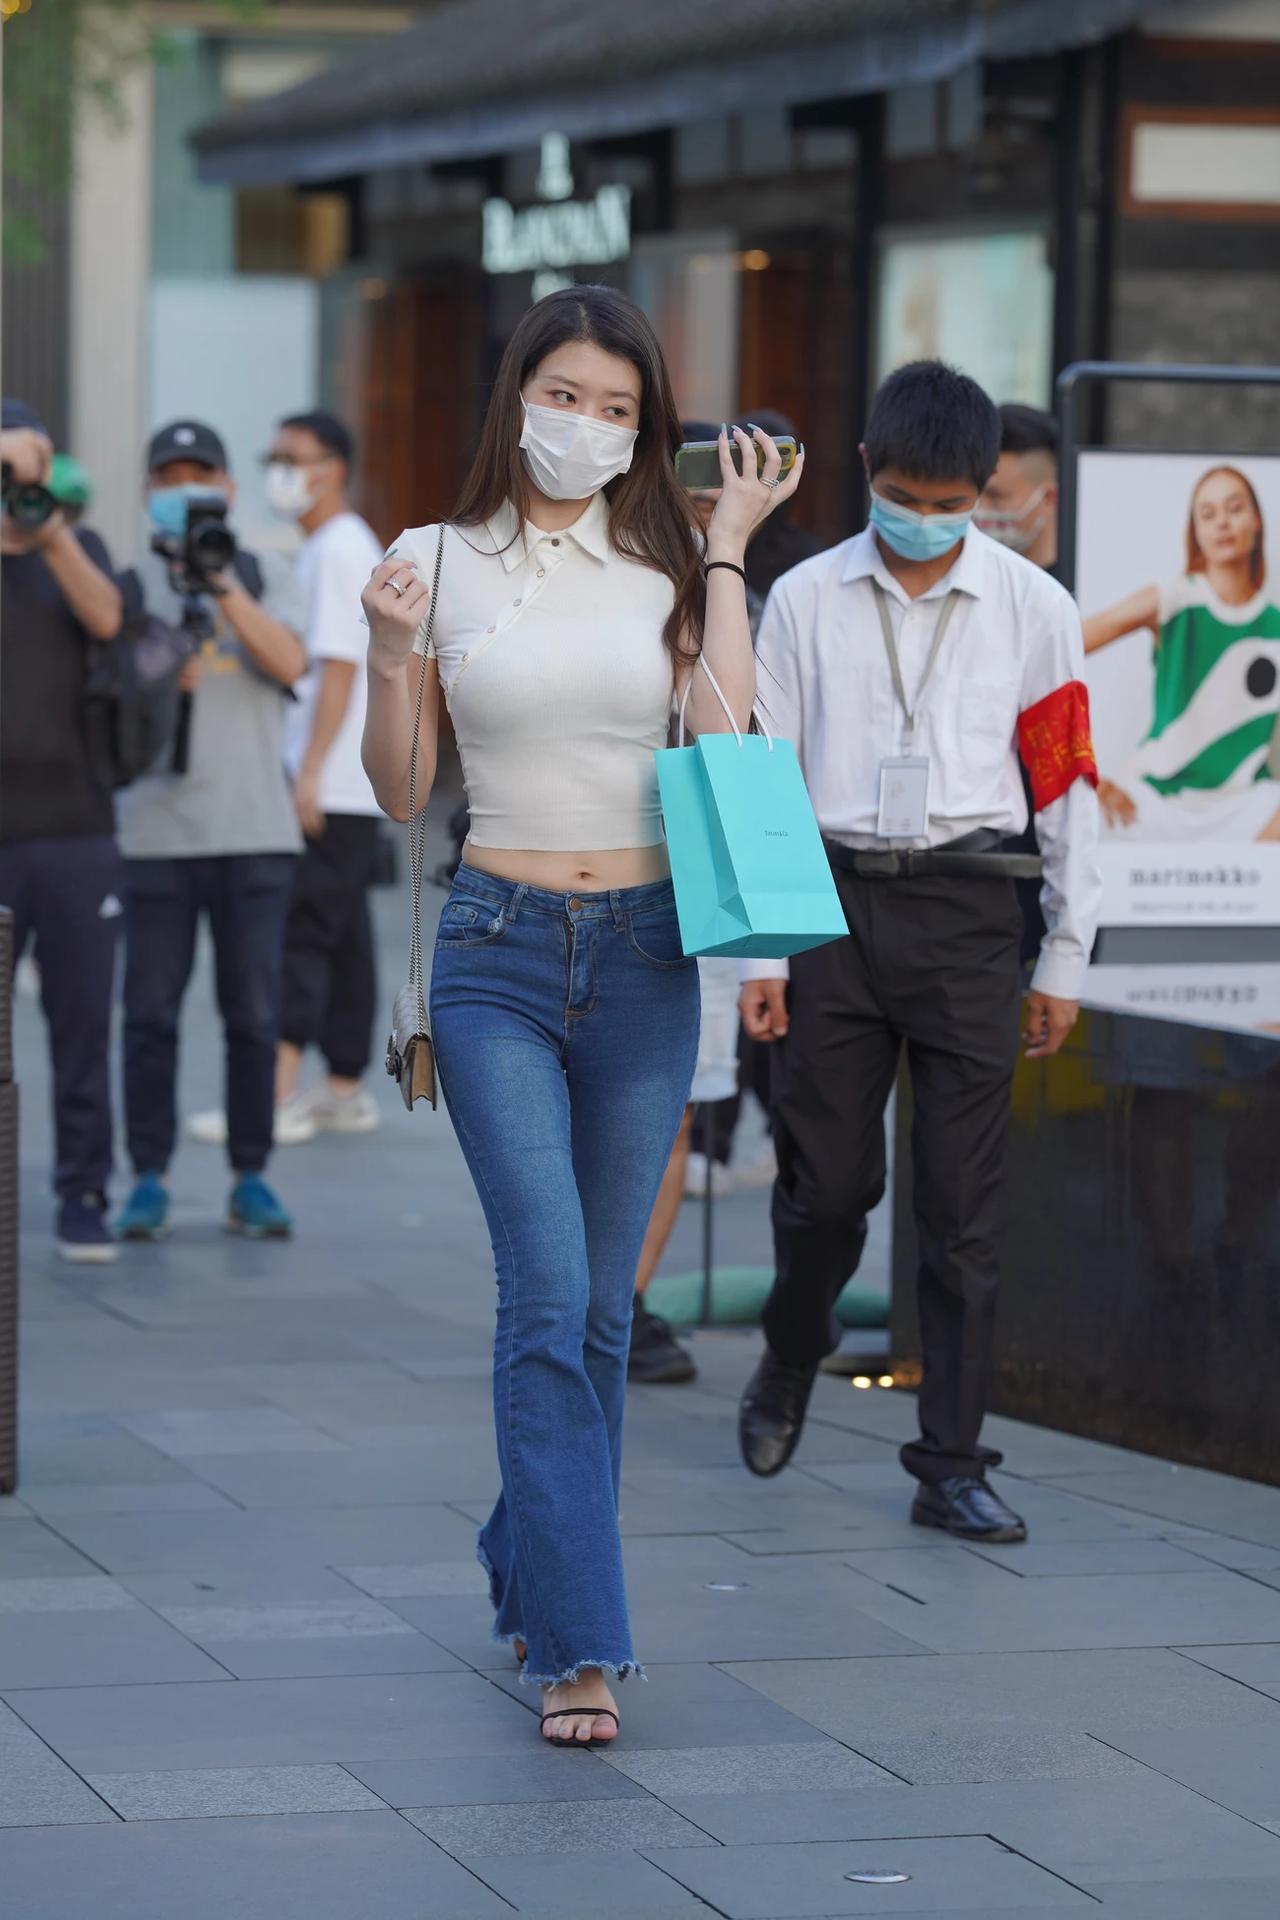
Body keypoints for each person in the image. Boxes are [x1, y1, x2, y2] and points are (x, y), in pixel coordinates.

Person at [360, 285, 802, 1744]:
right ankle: (577, 1643)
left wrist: (727, 552)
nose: (588, 426)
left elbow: (726, 737)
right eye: (566, 396)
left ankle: (529, 1549)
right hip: (494, 948)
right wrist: (388, 654)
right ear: (517, 395)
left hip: (645, 953)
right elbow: (401, 786)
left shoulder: (663, 561)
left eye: (619, 408)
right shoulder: (435, 558)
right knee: (547, 1295)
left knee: (605, 1312)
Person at [736, 359, 1101, 1546]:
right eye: (903, 498)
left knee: (961, 1209)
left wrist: (1063, 956)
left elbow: (1066, 785)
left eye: (951, 504)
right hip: (829, 908)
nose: (926, 521)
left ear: (985, 491)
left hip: (969, 913)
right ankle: (791, 1347)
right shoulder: (802, 599)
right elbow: (761, 776)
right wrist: (757, 955)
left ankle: (949, 1461)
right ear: (864, 473)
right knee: (825, 1188)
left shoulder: (1034, 606)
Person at [114, 421, 307, 1241]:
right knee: (148, 1016)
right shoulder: (129, 585)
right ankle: (147, 1176)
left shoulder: (265, 574)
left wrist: (221, 583)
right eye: (170, 477)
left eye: (200, 475)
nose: (185, 490)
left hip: (254, 829)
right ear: (148, 491)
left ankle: (250, 1176)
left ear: (227, 489)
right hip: (154, 832)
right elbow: (112, 693)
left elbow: (291, 663)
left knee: (254, 1015)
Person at [187, 410, 385, 1145]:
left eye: (291, 458)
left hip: (327, 779)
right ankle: (344, 1087)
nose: (279, 471)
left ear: (332, 469)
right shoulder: (332, 545)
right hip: (340, 779)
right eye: (273, 457)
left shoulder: (338, 548)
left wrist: (308, 771)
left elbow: (339, 666)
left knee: (300, 932)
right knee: (343, 933)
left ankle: (277, 1095)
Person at [0, 399, 124, 1262]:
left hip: (76, 829)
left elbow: (108, 619)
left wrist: (46, 530)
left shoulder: (79, 549)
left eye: (30, 466)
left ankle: (83, 1194)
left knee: (82, 1026)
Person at [1082, 465, 1279, 843]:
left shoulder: (1275, 625)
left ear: (1256, 521)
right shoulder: (1174, 599)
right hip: (1155, 802)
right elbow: (1066, 645)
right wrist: (1085, 773)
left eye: (1234, 508)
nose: (1222, 522)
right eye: (1208, 514)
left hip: (1245, 808)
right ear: (1196, 533)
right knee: (1084, 815)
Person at [978, 403, 1063, 958]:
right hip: (980, 865)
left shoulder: (1071, 597)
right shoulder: (965, 590)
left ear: (1046, 498)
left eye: (997, 496)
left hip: (1054, 858)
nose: (980, 512)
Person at [975, 403, 1060, 572]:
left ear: (1049, 498)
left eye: (996, 496)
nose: (978, 509)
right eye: (974, 494)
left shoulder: (1082, 582)